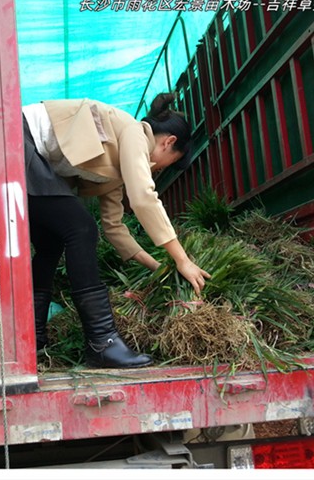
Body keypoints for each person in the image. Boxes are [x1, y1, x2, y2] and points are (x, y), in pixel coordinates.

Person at [22, 92, 211, 369]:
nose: (160, 169)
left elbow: (115, 227)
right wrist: (182, 260)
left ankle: (32, 338)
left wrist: (160, 268)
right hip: (17, 137)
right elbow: (143, 197)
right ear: (168, 142)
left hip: (28, 152)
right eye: (170, 161)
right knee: (81, 228)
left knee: (53, 241)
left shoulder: (118, 163)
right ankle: (102, 342)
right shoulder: (134, 131)